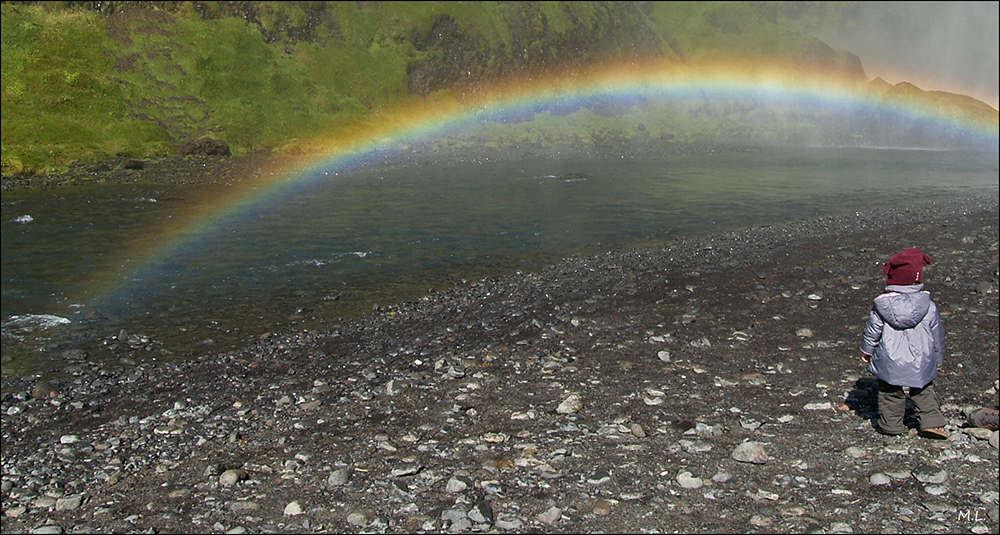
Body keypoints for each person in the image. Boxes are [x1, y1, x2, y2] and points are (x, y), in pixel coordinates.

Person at [859, 247, 948, 439]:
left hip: (891, 359)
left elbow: (872, 331)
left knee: (890, 392)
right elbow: (936, 334)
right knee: (923, 389)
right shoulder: (928, 305)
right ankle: (932, 422)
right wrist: (938, 356)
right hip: (922, 357)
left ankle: (891, 425)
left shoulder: (882, 305)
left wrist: (867, 350)